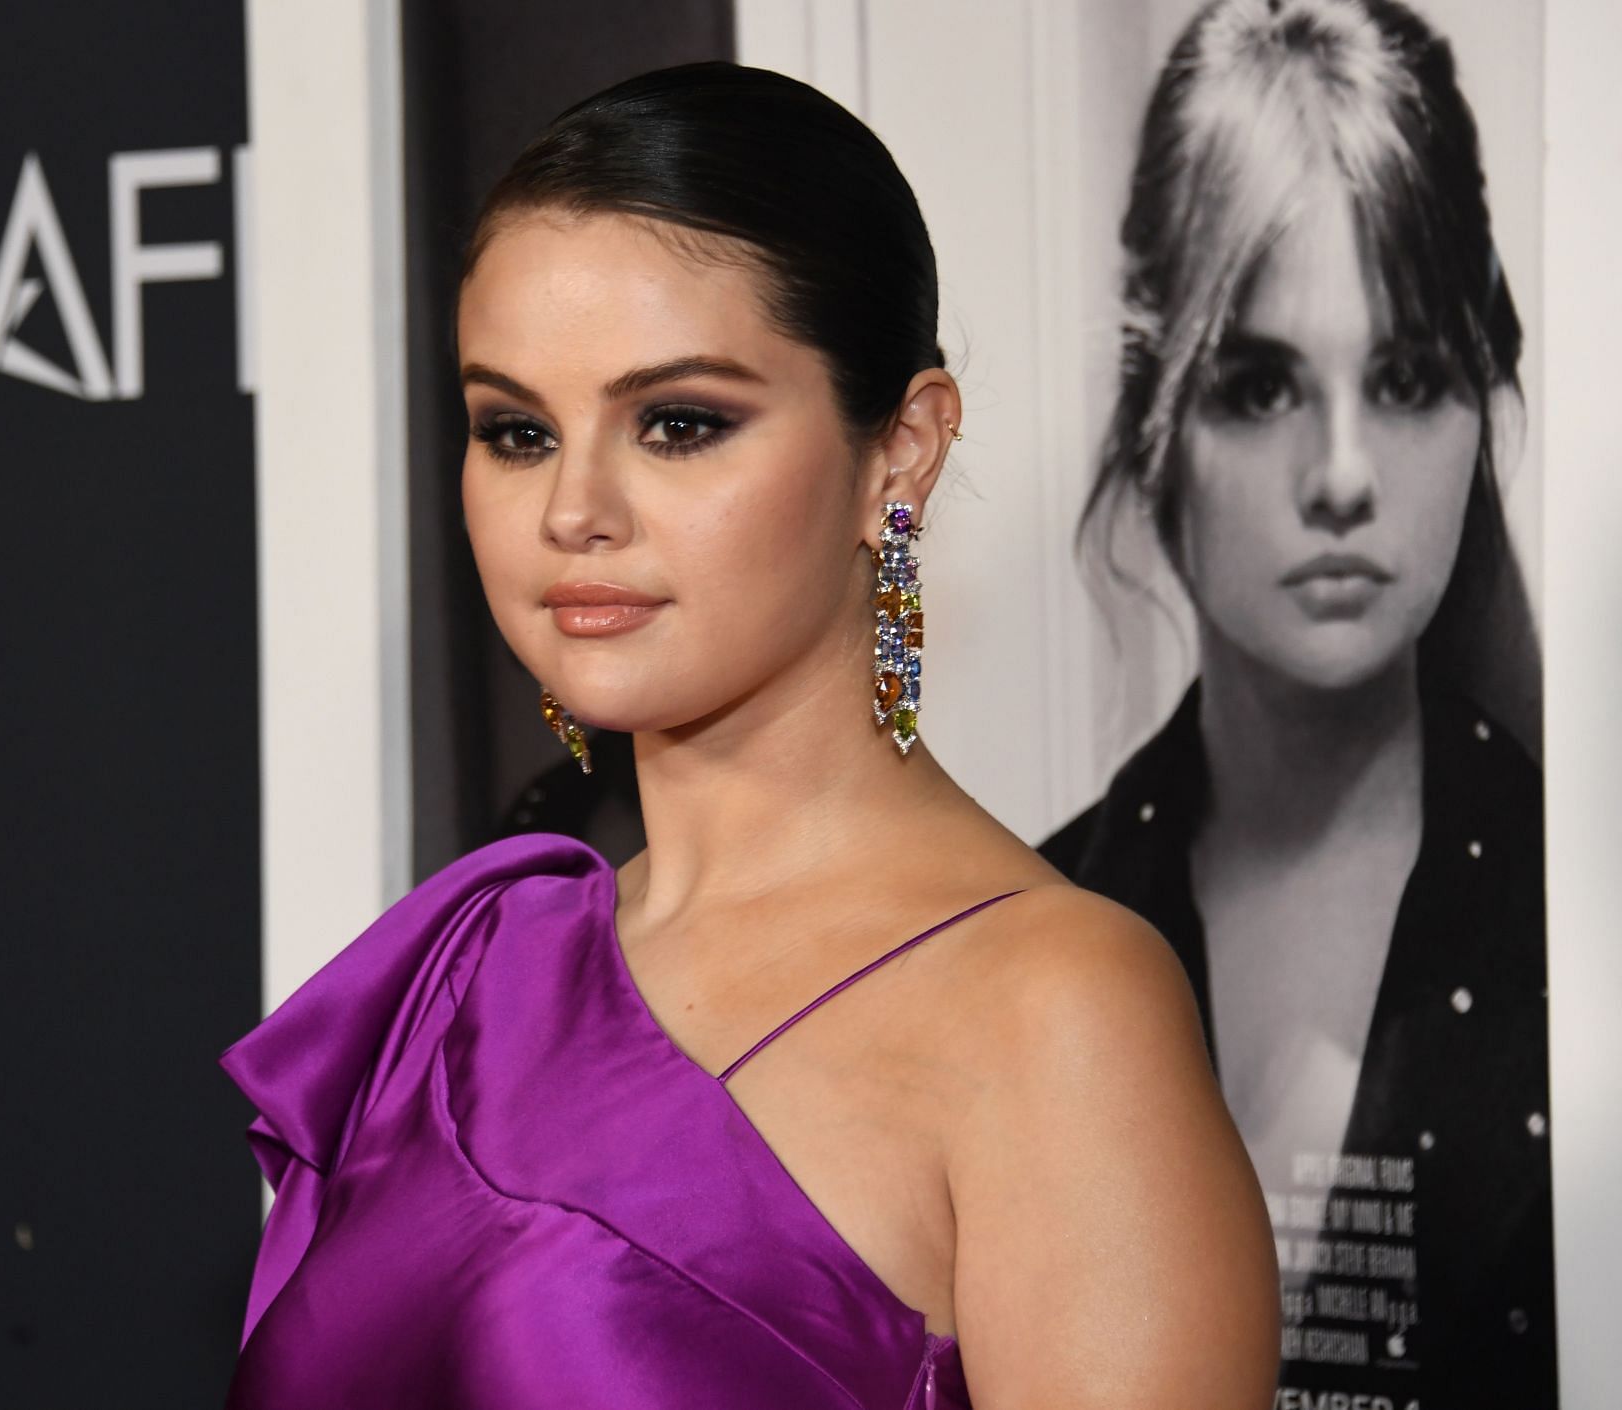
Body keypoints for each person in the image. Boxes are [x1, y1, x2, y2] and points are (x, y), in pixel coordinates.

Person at [221, 62, 1277, 1409]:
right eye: (518, 430)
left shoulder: (1054, 1016)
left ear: (900, 450)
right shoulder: (473, 962)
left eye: (678, 423)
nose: (574, 509)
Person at [1040, 1, 1552, 1404]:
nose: (1342, 474)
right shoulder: (1034, 925)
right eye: (1260, 385)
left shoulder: (1590, 919)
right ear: (1155, 427)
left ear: (1482, 411)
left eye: (1404, 378)